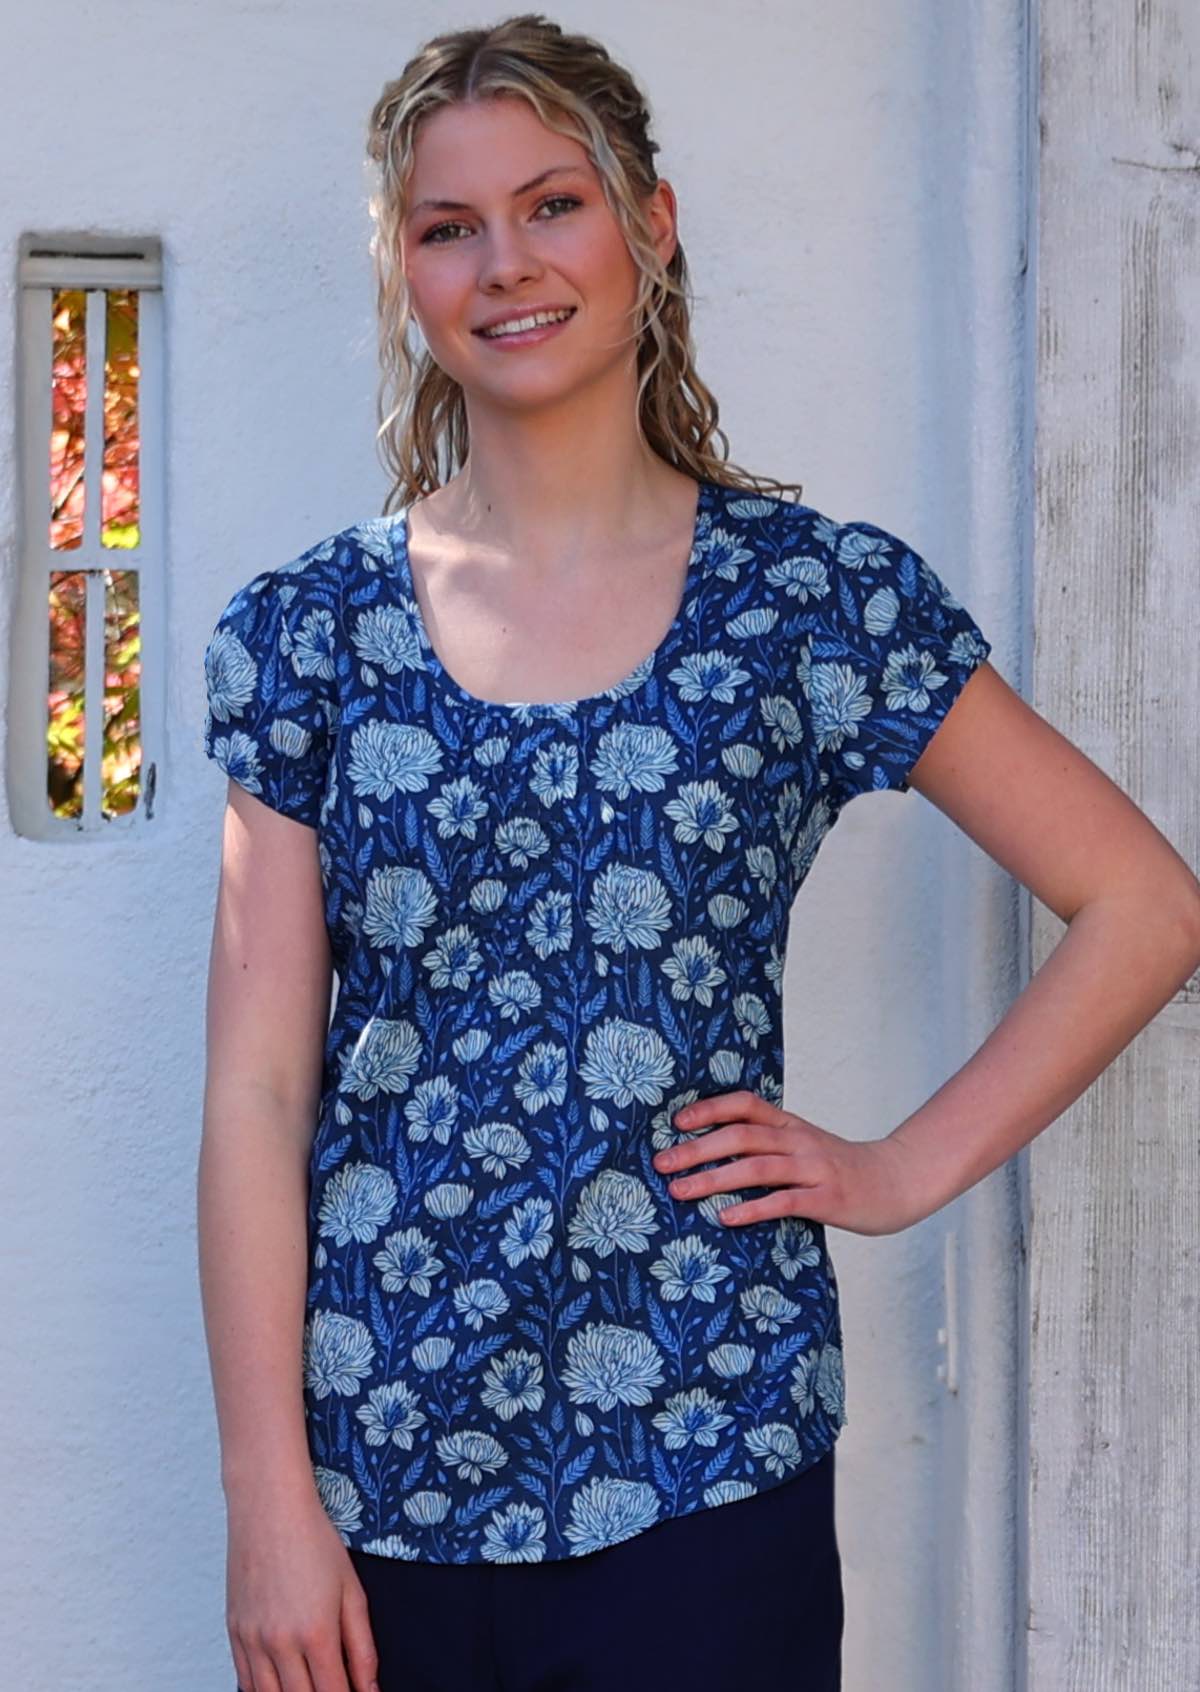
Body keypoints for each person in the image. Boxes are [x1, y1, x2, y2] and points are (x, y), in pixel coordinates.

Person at [197, 14, 1200, 1692]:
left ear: (651, 224)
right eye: (449, 228)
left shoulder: (814, 605)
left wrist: (897, 1169)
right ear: (403, 274)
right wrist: (264, 1503)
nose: (506, 264)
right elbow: (255, 1096)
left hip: (706, 1455)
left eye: (553, 205)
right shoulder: (308, 636)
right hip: (374, 1479)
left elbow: (1146, 905)